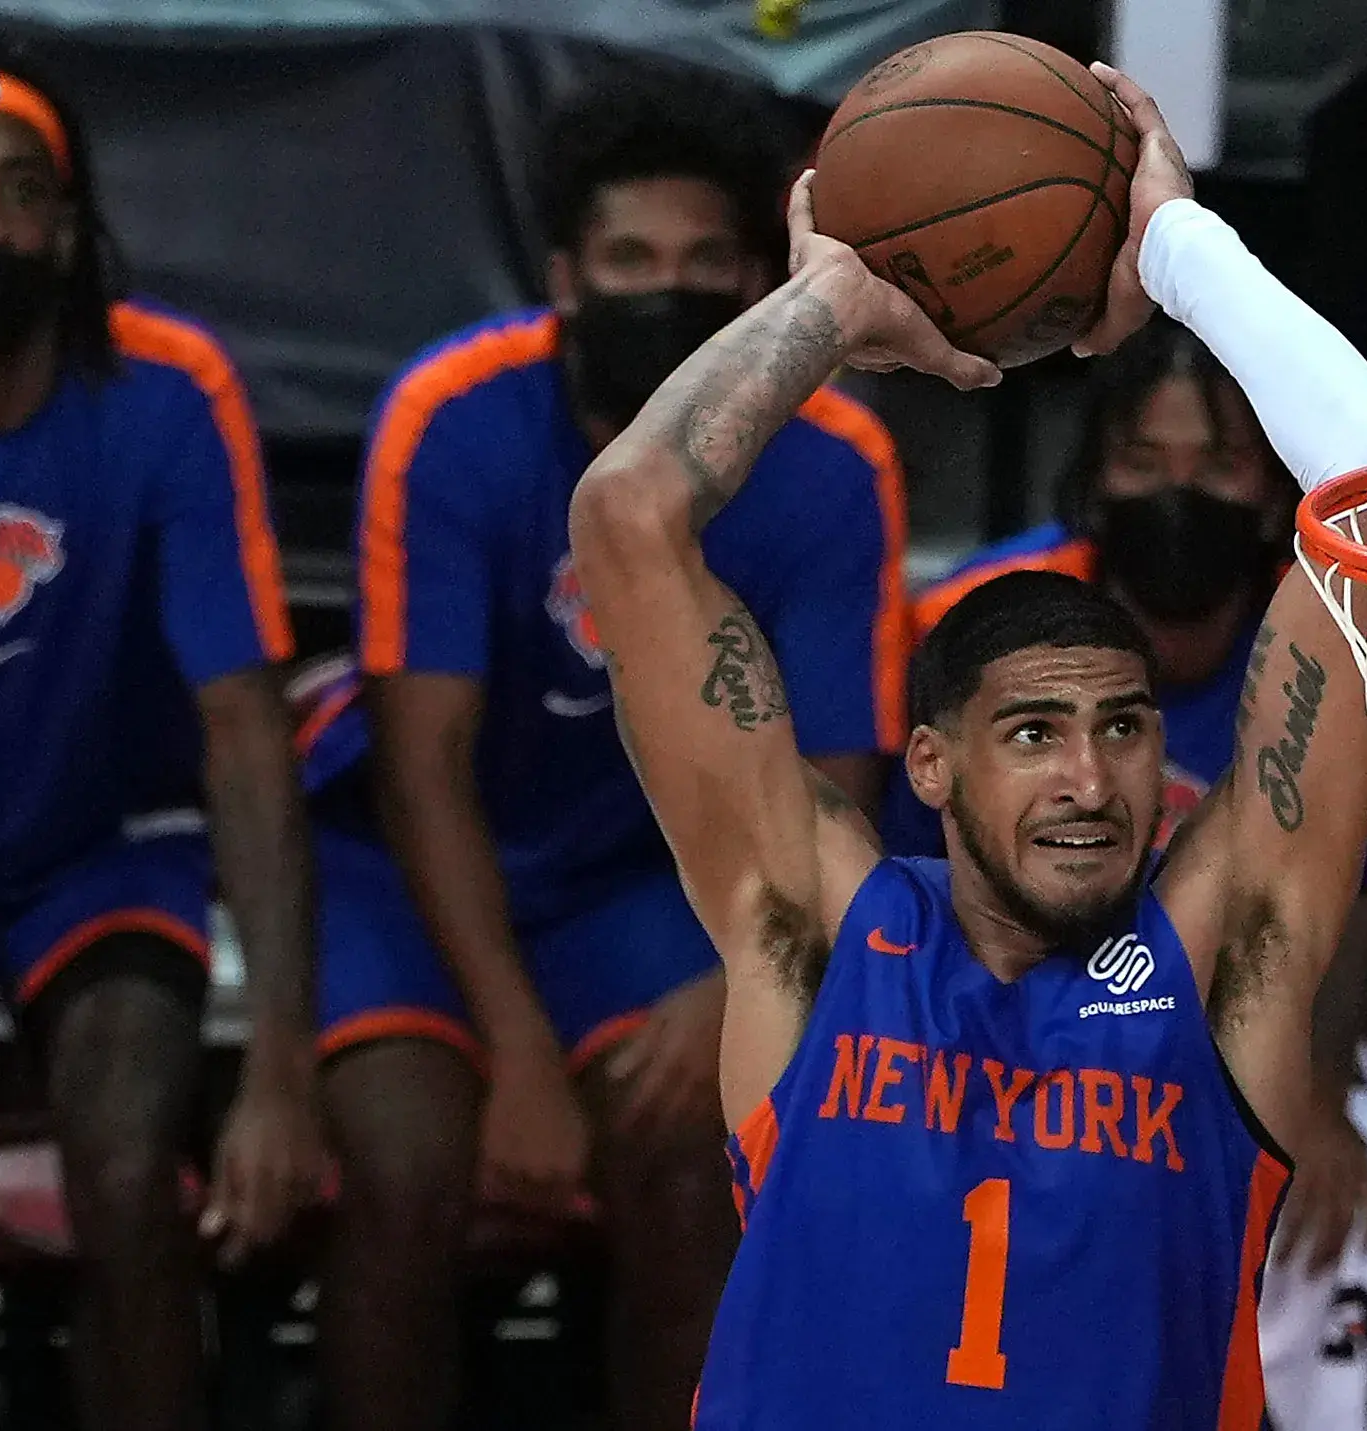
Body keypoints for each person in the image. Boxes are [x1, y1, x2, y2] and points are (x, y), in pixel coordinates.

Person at [566, 62, 1367, 1427]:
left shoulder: (1219, 969)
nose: (1089, 780)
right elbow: (628, 513)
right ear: (928, 763)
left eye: (1123, 729)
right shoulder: (814, 924)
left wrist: (1177, 248)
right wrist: (829, 303)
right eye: (1032, 732)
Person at [308, 70, 909, 1431]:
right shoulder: (448, 414)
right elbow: (421, 762)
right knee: (407, 1166)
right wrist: (516, 1045)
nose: (667, 289)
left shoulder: (835, 456)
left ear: (763, 279)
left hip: (652, 882)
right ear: (565, 272)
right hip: (420, 866)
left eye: (707, 263)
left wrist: (732, 975)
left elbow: (836, 780)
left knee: (704, 1155)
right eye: (631, 258)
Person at [0, 58, 324, 1431]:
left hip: (103, 842)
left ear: (73, 228)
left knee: (125, 1155)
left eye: (21, 193)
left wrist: (278, 1063)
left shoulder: (168, 390)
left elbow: (244, 731)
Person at [887, 317, 1367, 1428]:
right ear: (1092, 479)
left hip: (1266, 1024)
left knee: (1343, 1212)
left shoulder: (1323, 649)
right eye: (1145, 461)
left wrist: (1318, 1092)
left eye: (1216, 466)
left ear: (1272, 494)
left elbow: (1365, 888)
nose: (1179, 493)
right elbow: (914, 880)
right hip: (988, 1026)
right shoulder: (973, 629)